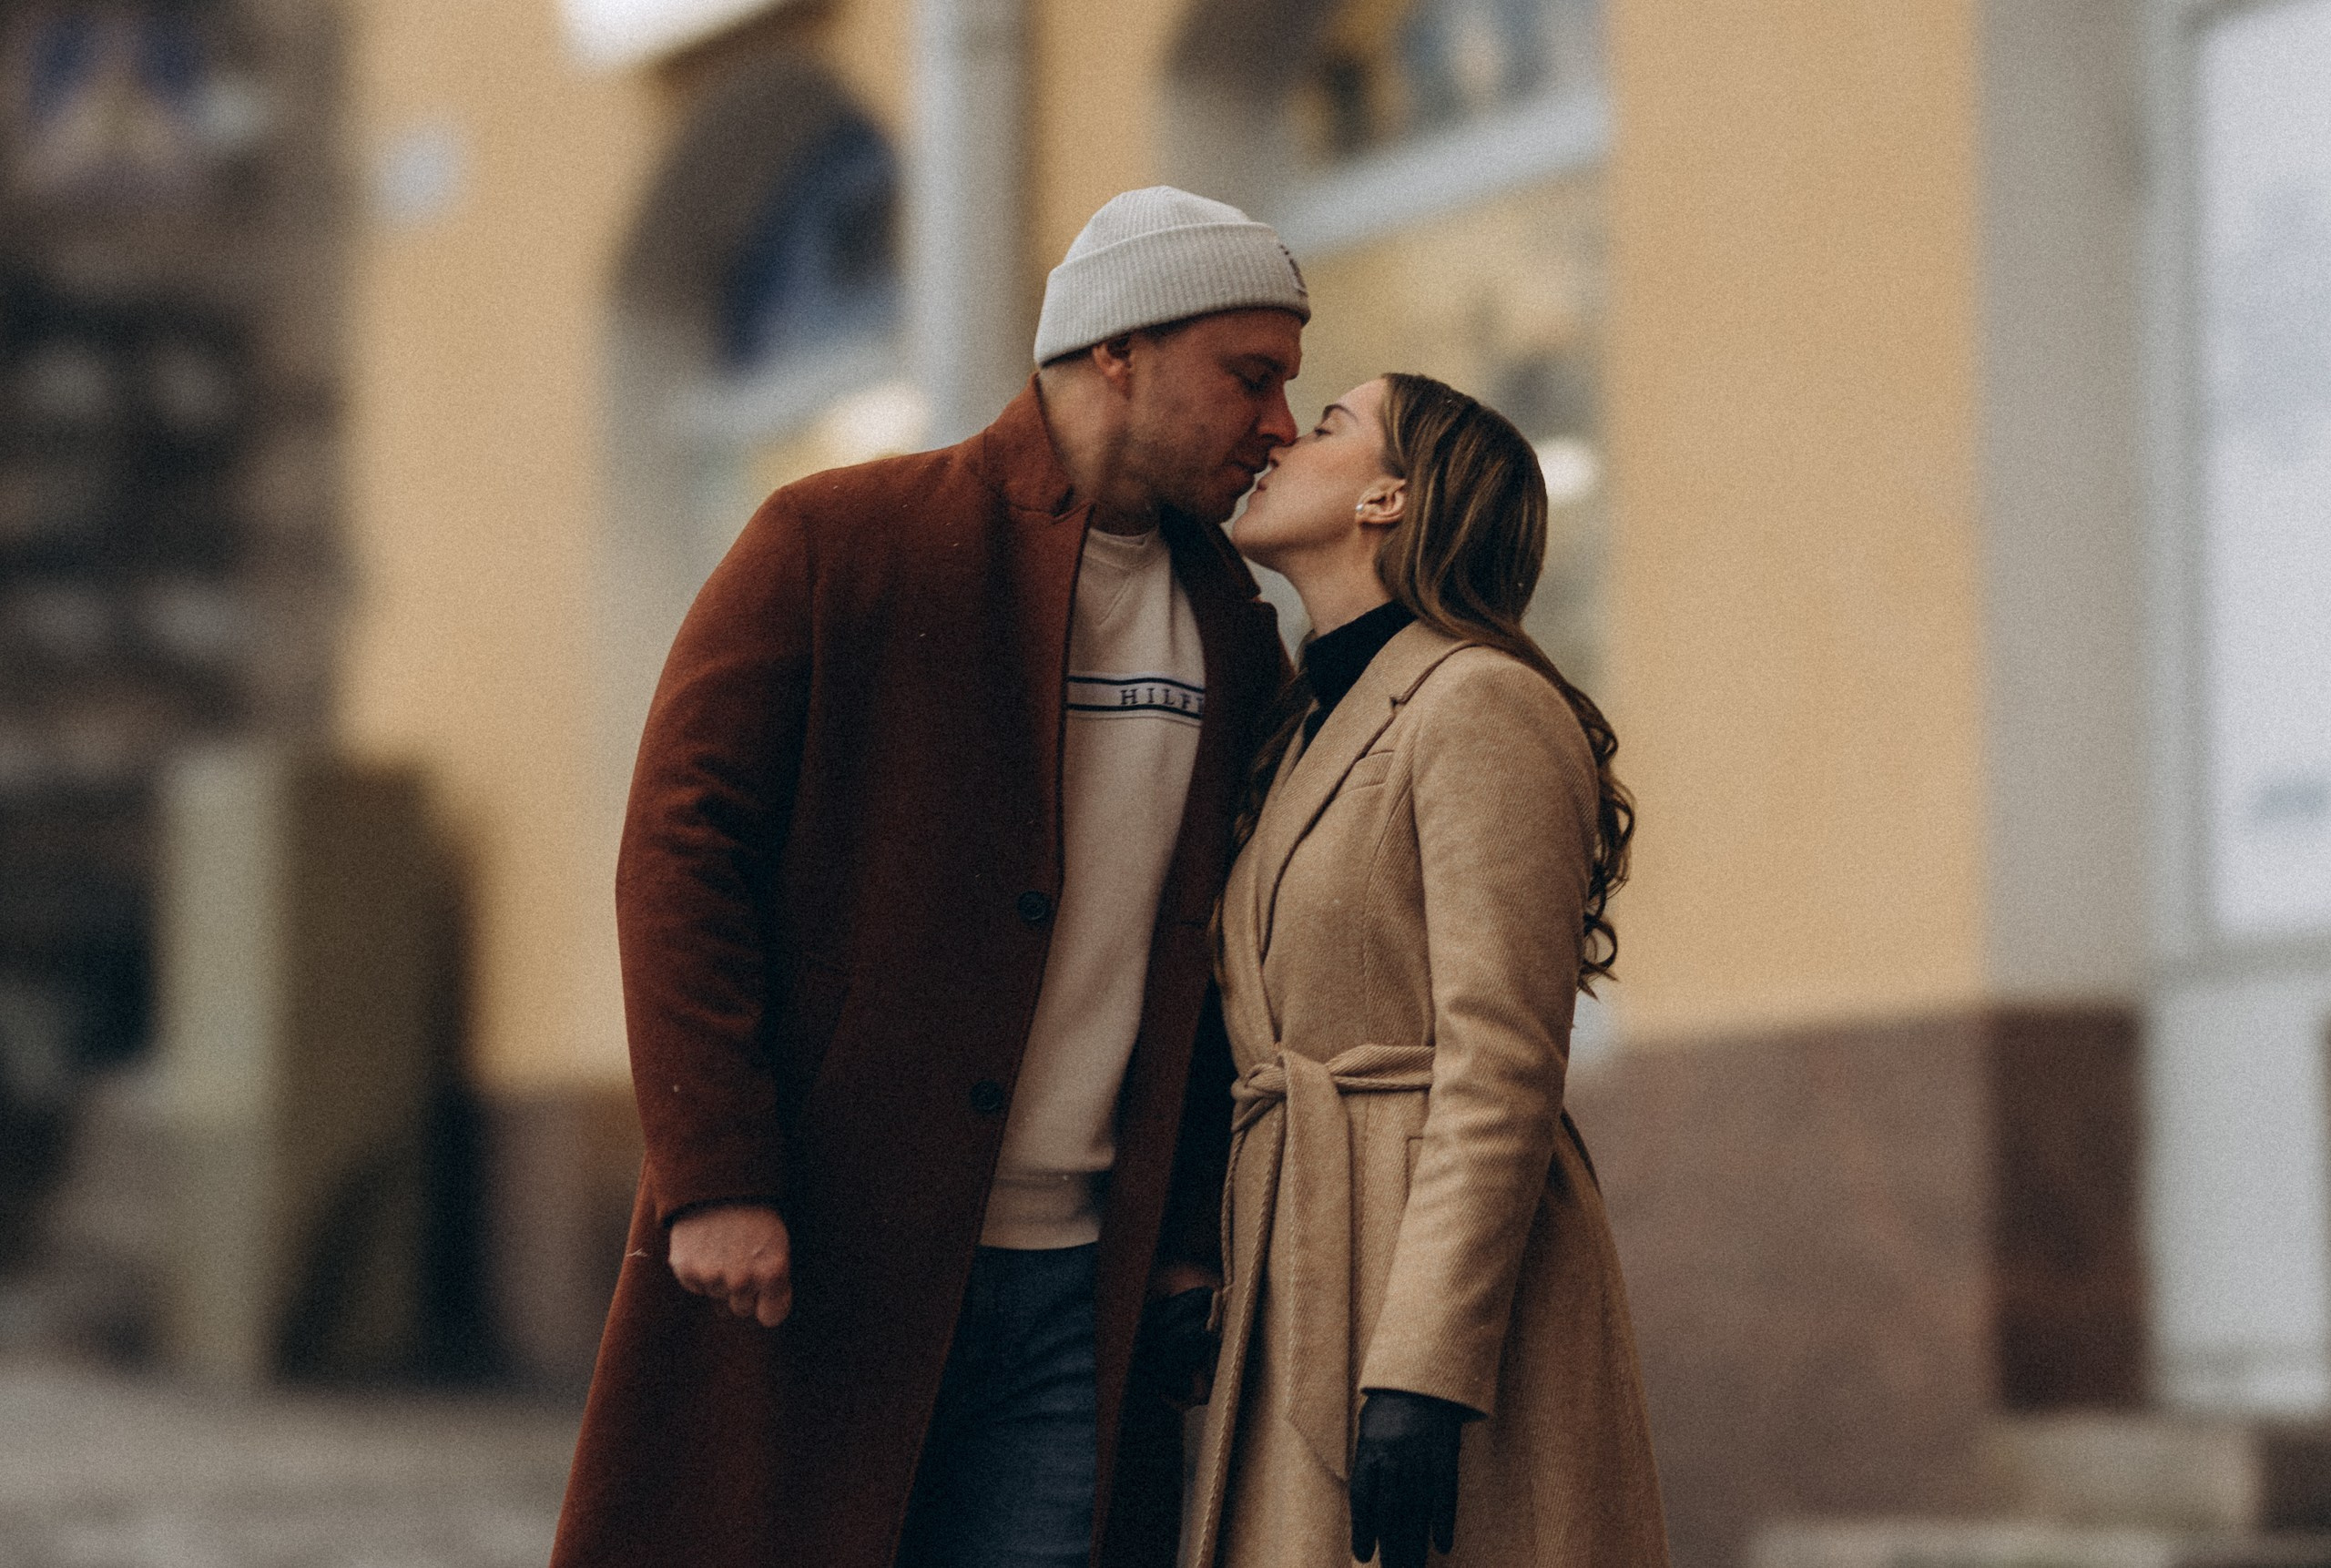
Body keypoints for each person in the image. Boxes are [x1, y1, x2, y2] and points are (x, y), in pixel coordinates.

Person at [548, 188, 1306, 1568]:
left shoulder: (1236, 625)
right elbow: (680, 846)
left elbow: (1213, 960)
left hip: (1082, 1289)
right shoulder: (841, 539)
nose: (1281, 425)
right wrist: (714, 1169)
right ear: (1118, 351)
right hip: (827, 1251)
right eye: (1249, 376)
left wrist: (1189, 1226)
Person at [1185, 373, 1671, 1568]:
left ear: (1390, 498)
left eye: (1330, 426)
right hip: (1304, 1253)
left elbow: (1501, 1063)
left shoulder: (1479, 700)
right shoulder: (1302, 727)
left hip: (1427, 1288)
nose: (1282, 440)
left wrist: (1426, 1369)